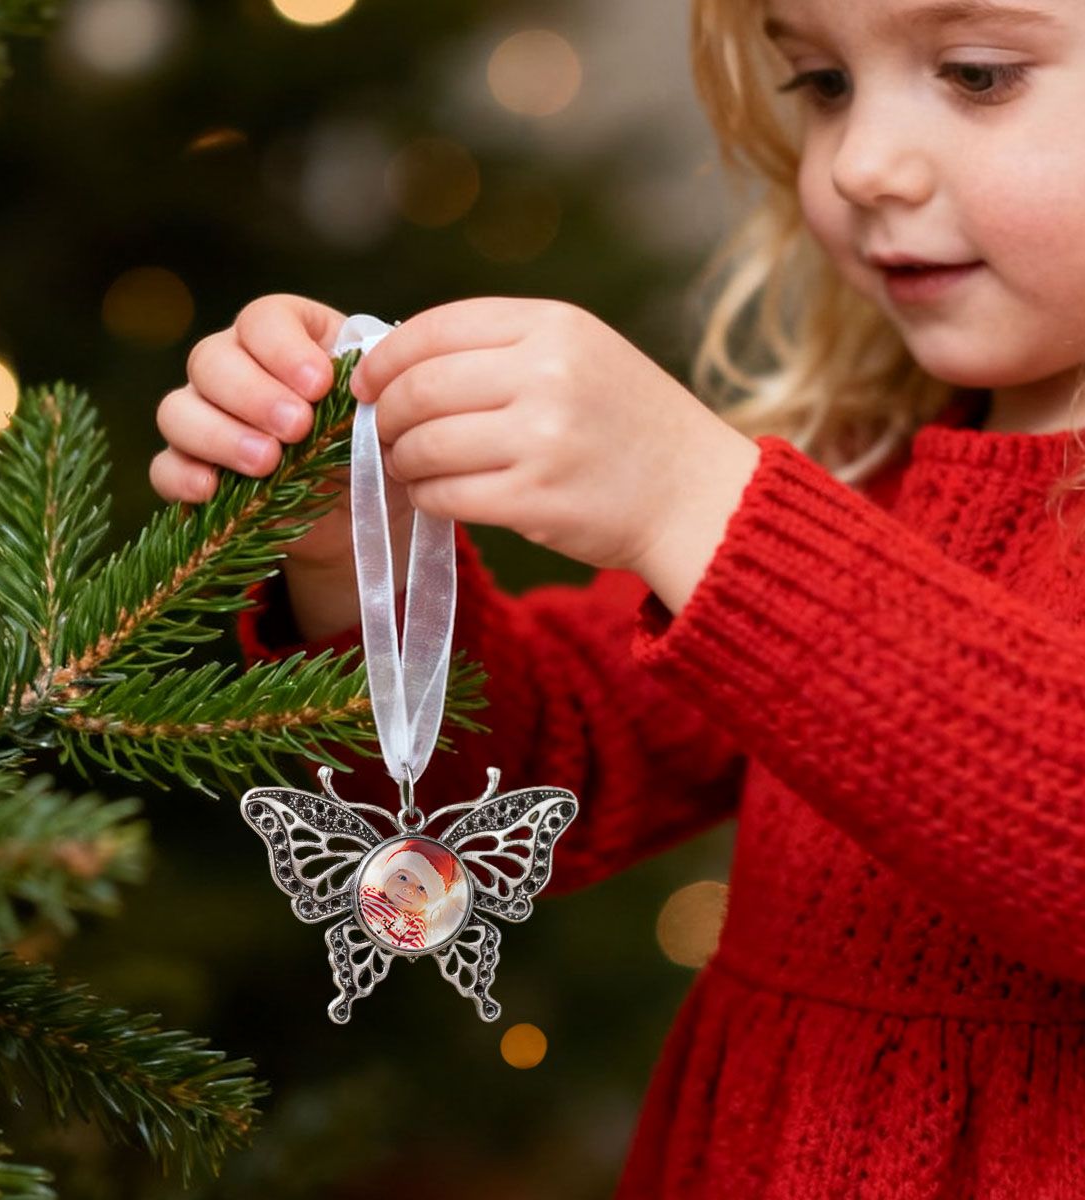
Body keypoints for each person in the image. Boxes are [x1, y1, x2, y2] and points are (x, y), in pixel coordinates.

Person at [150, 0, 1085, 1193]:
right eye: (823, 84)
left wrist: (702, 507)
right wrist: (359, 565)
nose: (860, 166)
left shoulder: (771, 514)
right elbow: (536, 784)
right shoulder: (871, 467)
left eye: (977, 74)